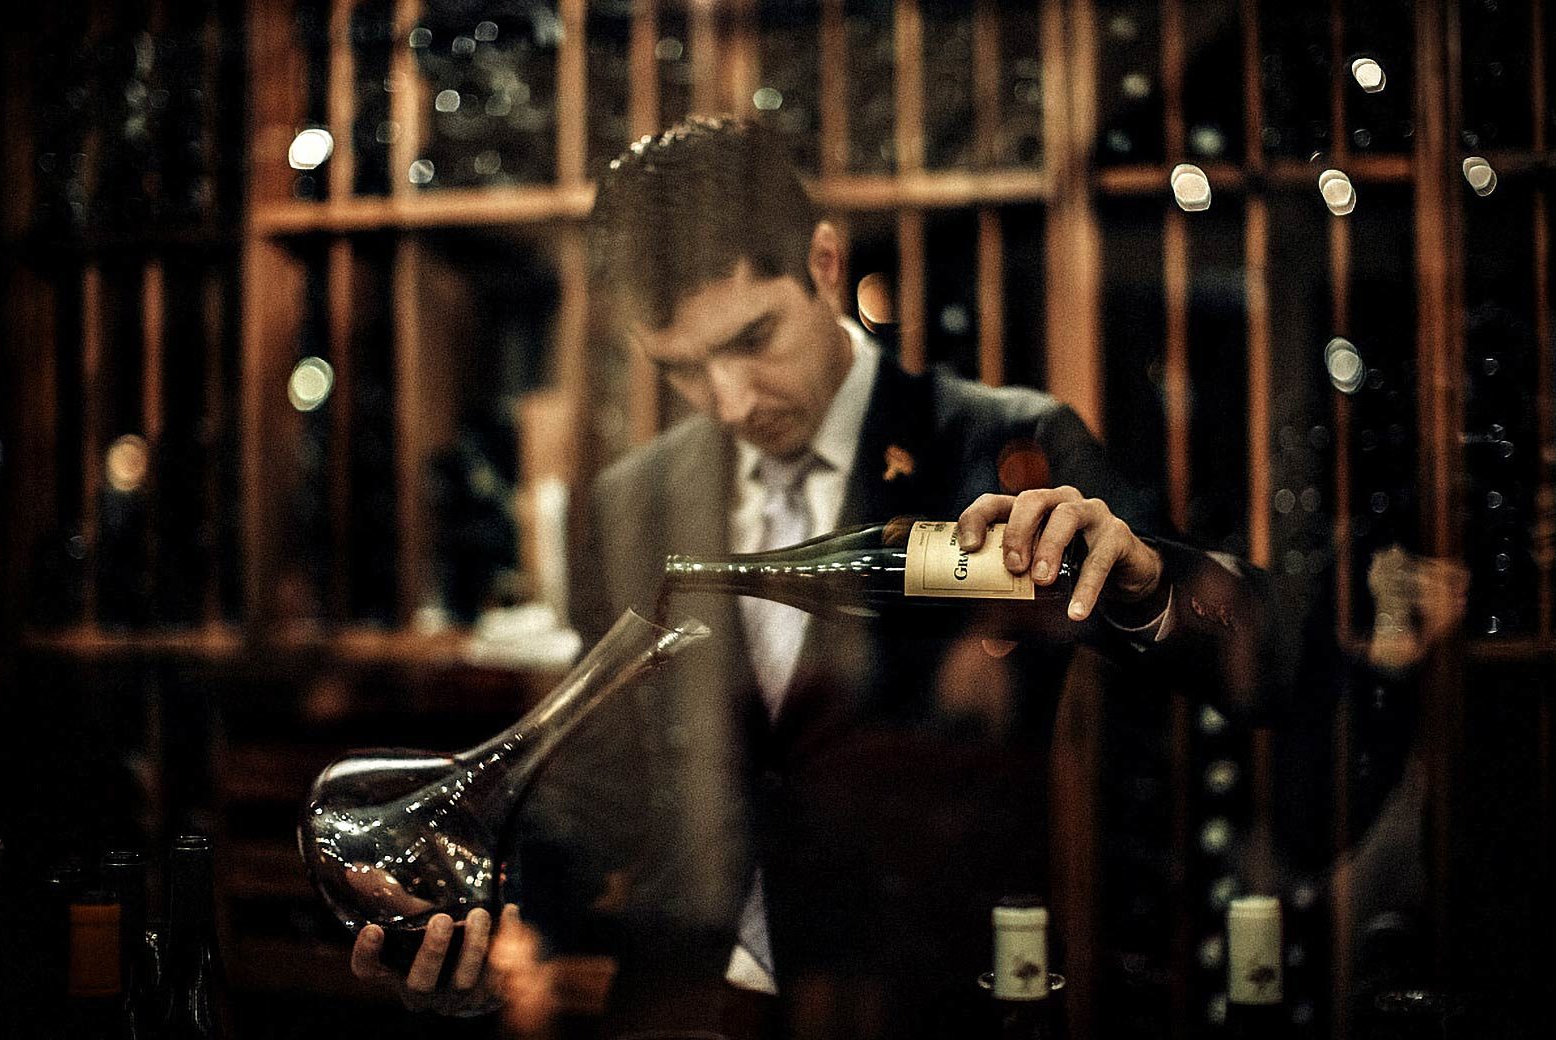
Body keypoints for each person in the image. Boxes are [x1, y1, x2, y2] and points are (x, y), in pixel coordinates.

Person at [352, 115, 1271, 1038]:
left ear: (825, 264)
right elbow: (604, 785)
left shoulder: (999, 443)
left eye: (754, 338)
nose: (732, 401)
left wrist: (1150, 586)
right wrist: (492, 943)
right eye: (682, 369)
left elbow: (1256, 656)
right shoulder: (634, 501)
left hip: (926, 1005)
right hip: (690, 1008)